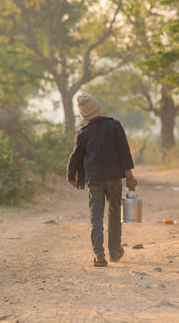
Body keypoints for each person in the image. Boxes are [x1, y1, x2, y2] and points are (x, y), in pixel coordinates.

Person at [66, 92, 137, 267]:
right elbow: (124, 152)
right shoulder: (114, 125)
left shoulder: (83, 133)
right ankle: (114, 252)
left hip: (94, 179)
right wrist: (130, 177)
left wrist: (70, 176)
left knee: (95, 216)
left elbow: (75, 156)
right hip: (113, 177)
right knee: (114, 214)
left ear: (83, 115)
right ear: (98, 108)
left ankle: (99, 256)